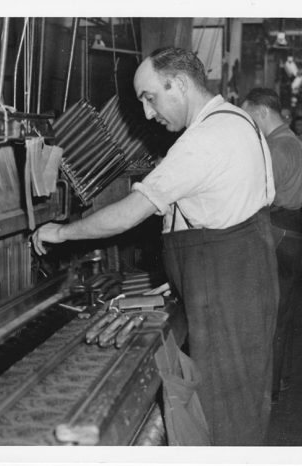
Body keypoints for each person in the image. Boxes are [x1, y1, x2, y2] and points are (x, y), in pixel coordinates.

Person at [32, 46, 279, 446]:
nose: (148, 113)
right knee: (242, 402)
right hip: (240, 277)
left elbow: (131, 212)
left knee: (222, 412)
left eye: (150, 98)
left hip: (227, 288)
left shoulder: (204, 139)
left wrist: (60, 232)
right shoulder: (236, 119)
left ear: (179, 84)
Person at [242, 88, 302, 401]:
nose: (247, 122)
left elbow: (260, 196)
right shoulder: (290, 140)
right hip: (291, 232)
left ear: (262, 112)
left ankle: (265, 388)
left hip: (278, 232)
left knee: (267, 312)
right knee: (281, 312)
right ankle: (276, 381)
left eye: (248, 114)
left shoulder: (275, 146)